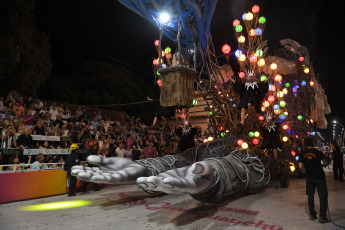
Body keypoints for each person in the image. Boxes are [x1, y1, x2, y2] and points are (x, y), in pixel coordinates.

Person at [298, 137, 329, 223]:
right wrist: (319, 166)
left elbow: (300, 167)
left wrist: (306, 171)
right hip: (320, 177)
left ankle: (312, 215)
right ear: (313, 143)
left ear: (305, 144)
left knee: (310, 196)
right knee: (322, 197)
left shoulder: (303, 153)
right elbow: (325, 163)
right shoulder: (318, 152)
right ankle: (322, 217)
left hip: (309, 178)